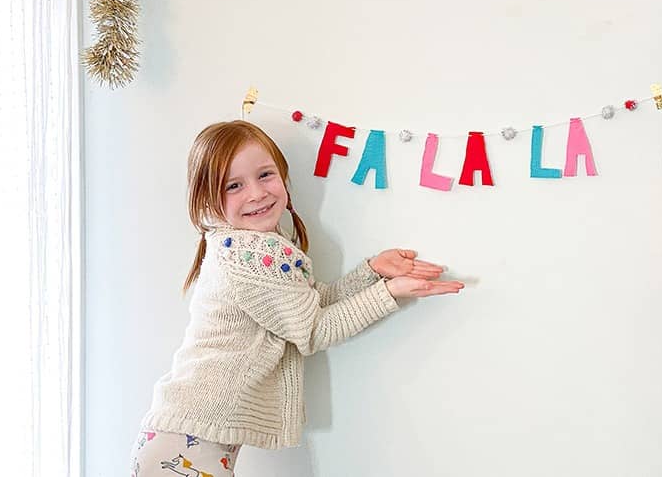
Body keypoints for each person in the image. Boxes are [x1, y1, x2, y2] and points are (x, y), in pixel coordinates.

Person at [130, 120, 464, 476]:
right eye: (234, 186)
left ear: (283, 176)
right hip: (186, 442)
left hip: (182, 437)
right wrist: (388, 292)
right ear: (207, 197)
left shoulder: (250, 246)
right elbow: (314, 329)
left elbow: (310, 304)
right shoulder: (250, 253)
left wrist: (373, 272)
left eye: (265, 175)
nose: (256, 193)